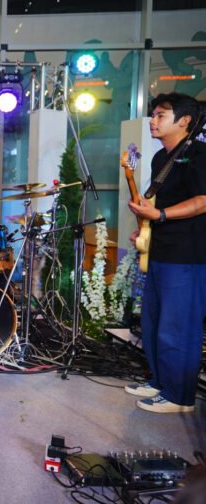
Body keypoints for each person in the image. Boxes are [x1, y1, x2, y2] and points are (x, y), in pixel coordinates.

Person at [126, 92, 206, 414]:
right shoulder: (162, 158)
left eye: (161, 115)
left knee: (179, 327)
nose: (153, 121)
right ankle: (161, 381)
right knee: (154, 323)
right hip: (160, 251)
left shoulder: (199, 154)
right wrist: (145, 228)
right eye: (154, 114)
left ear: (185, 120)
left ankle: (179, 396)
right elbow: (160, 206)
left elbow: (203, 200)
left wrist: (160, 215)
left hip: (187, 256)